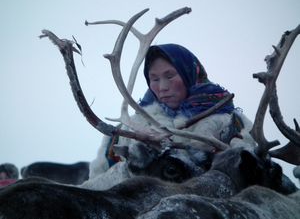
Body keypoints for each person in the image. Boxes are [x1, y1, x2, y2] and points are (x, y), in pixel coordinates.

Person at [82, 43, 255, 190]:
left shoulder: (229, 122)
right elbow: (101, 181)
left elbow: (250, 177)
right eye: (154, 79)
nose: (162, 87)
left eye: (170, 76)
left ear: (188, 73)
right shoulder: (131, 126)